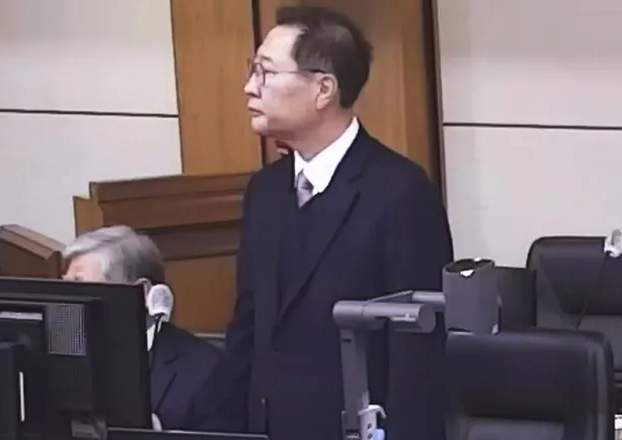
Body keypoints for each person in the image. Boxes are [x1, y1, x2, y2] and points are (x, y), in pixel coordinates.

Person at [194, 5, 454, 440]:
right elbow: (247, 328)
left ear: (323, 89)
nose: (249, 88)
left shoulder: (400, 192)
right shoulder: (265, 190)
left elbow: (418, 358)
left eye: (265, 72)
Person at [62, 225, 221, 431]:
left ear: (141, 292)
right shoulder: (58, 359)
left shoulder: (206, 371)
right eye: (64, 285)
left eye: (79, 285)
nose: (66, 300)